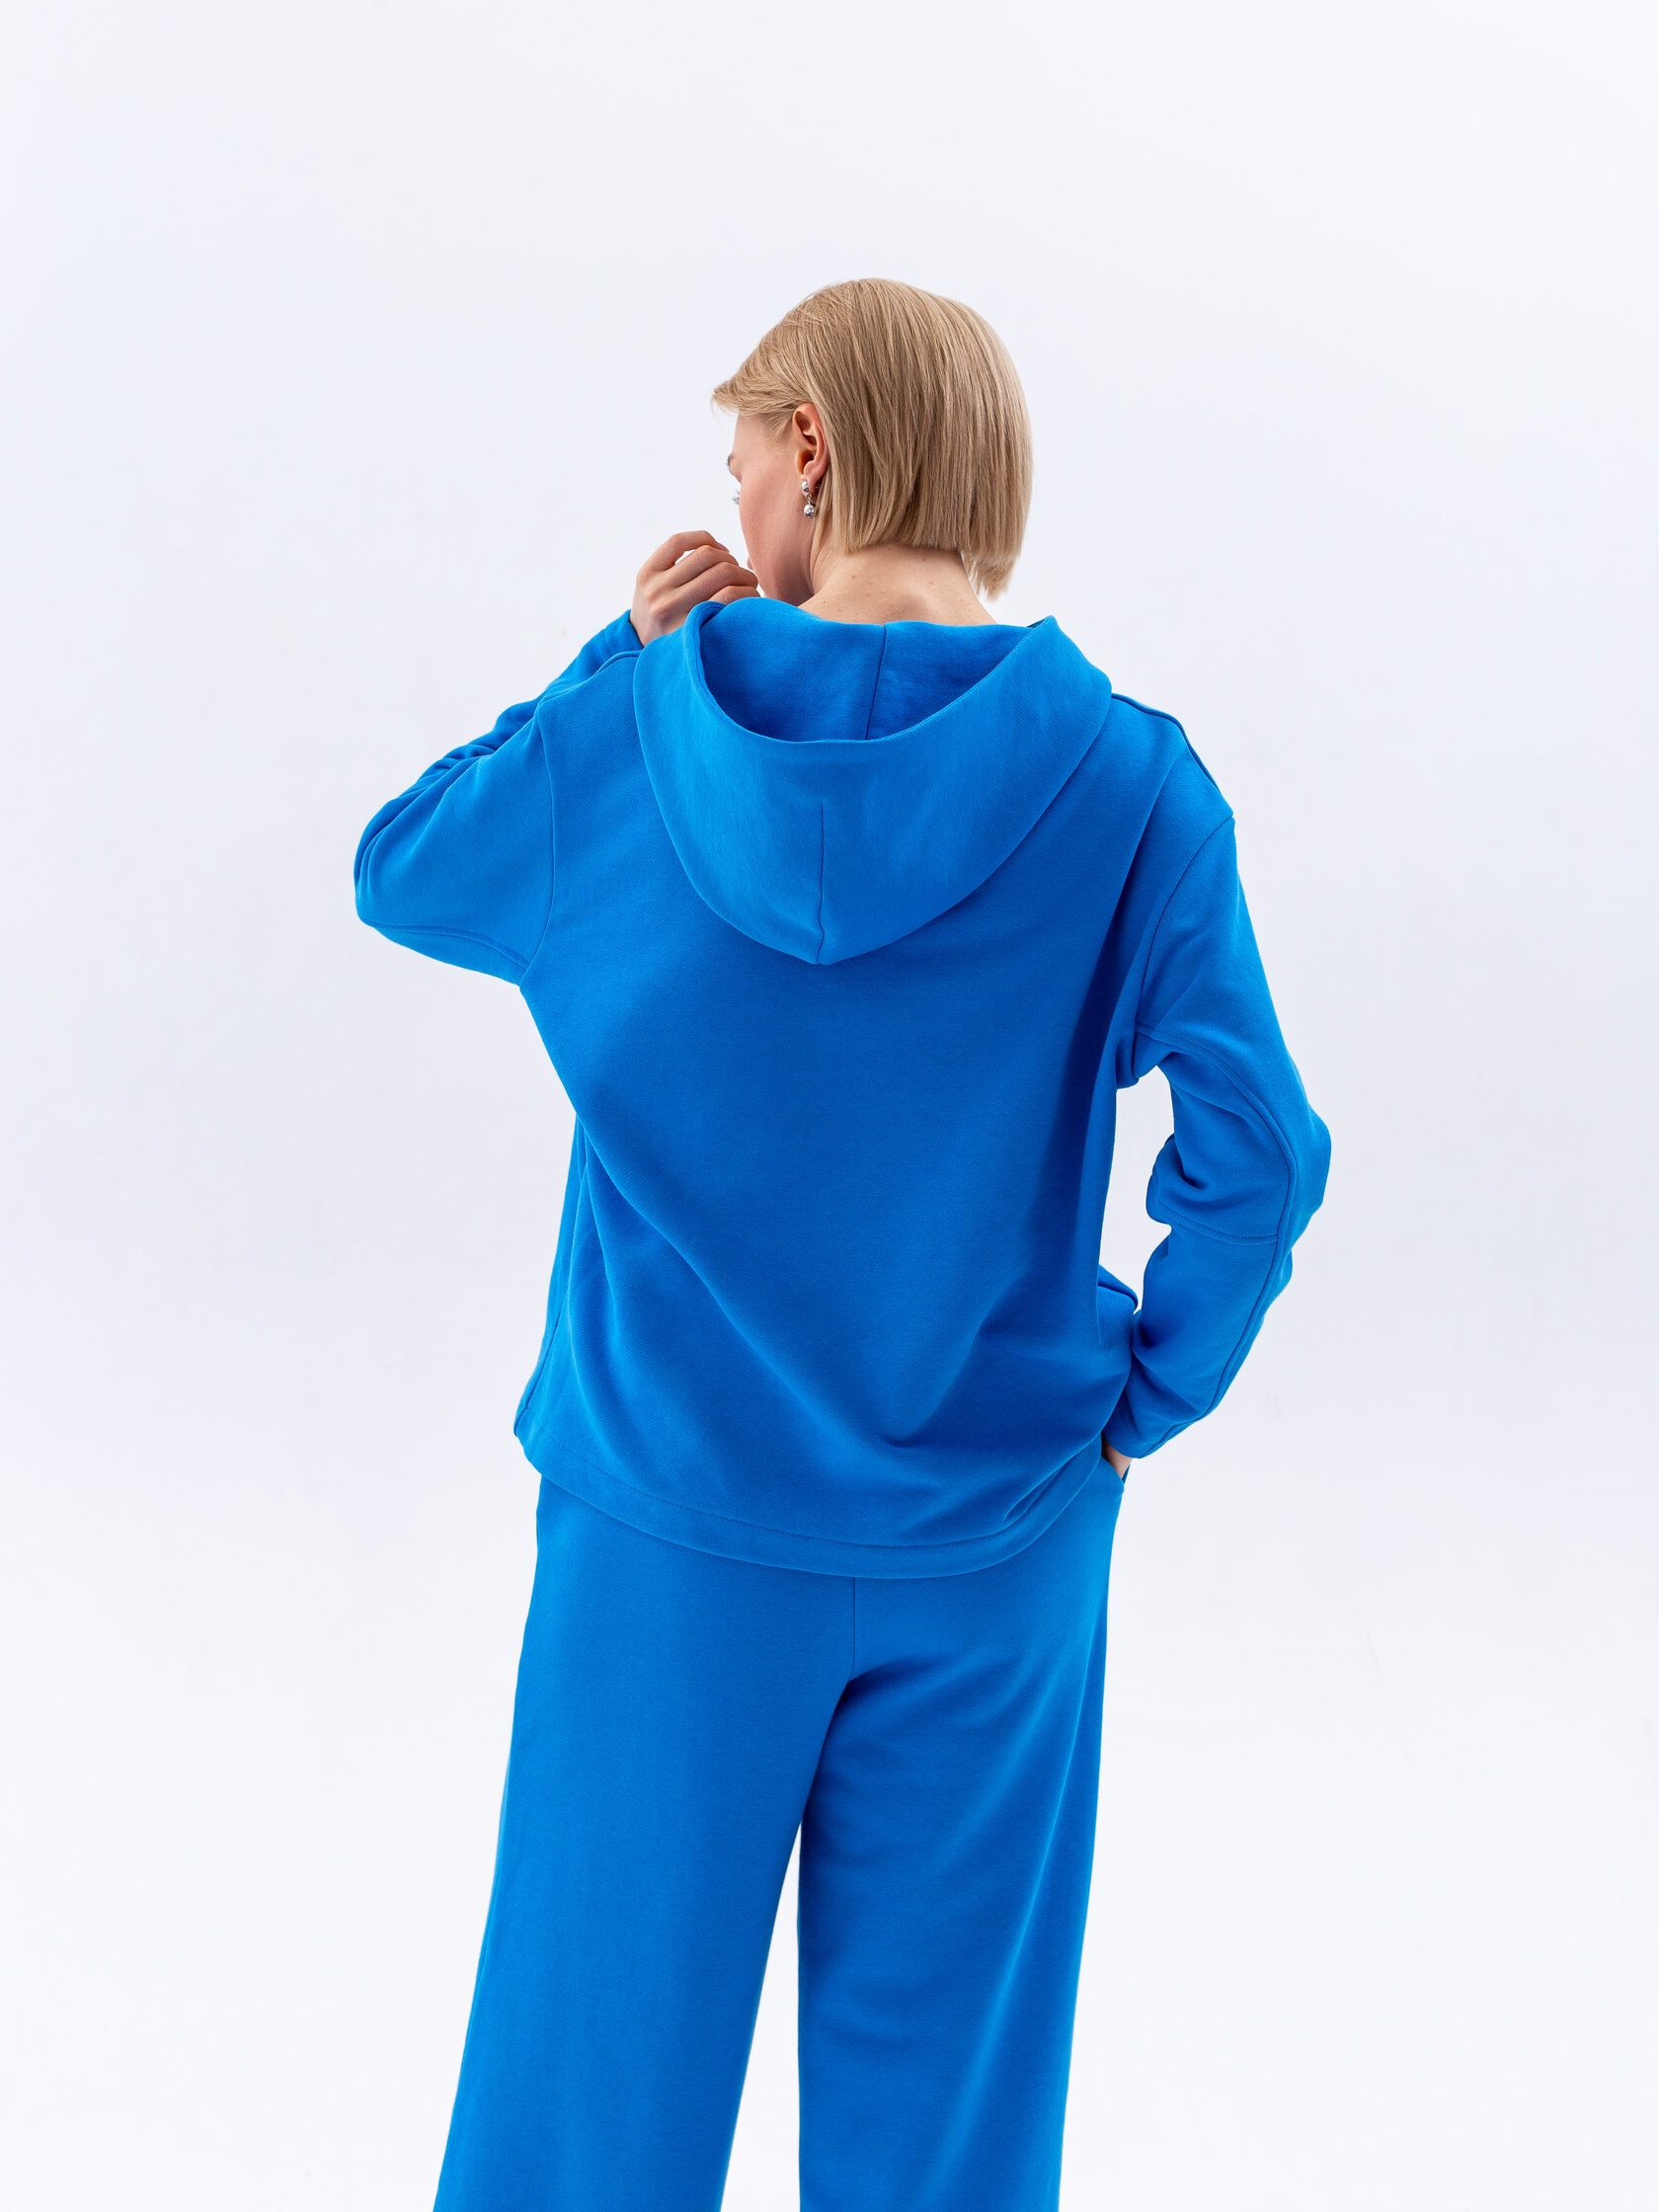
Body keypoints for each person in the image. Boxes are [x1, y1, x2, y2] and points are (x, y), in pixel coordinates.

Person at [354, 277, 1330, 2212]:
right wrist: (1143, 1397)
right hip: (995, 1541)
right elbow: (1260, 1161)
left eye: (740, 455)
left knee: (581, 2125)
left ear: (811, 450)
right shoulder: (1132, 787)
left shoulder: (640, 735)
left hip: (666, 1529)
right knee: (945, 2150)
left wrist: (618, 662)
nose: (731, 500)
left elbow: (409, 865)